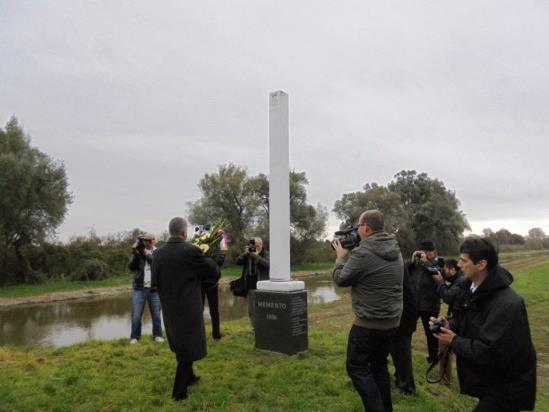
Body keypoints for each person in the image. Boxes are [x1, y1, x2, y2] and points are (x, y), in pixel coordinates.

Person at [432, 236, 536, 411]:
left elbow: (490, 351)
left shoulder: (507, 304)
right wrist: (449, 325)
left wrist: (454, 341)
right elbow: (470, 320)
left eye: (464, 261)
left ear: (481, 265)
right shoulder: (472, 290)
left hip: (507, 388)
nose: (458, 265)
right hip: (491, 382)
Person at [332, 210, 403, 412]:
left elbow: (341, 279)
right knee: (379, 366)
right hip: (391, 323)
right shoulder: (395, 249)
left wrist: (340, 258)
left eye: (358, 226)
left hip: (368, 325)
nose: (357, 230)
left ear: (366, 228)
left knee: (356, 368)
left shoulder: (363, 253)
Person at [152, 217, 220, 401]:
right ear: (184, 233)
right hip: (188, 308)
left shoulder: (157, 253)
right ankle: (179, 393)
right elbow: (213, 271)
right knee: (187, 348)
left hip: (169, 308)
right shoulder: (190, 251)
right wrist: (208, 256)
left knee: (181, 345)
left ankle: (190, 377)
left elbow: (154, 282)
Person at [431, 258, 467, 385]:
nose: (443, 272)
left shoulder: (461, 281)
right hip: (456, 317)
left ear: (452, 270)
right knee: (445, 347)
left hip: (459, 320)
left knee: (444, 346)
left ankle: (445, 381)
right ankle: (444, 379)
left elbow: (447, 296)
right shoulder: (458, 279)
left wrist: (440, 282)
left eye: (445, 270)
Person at [408, 239, 441, 363]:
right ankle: (406, 351)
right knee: (407, 328)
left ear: (433, 252)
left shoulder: (439, 262)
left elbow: (437, 274)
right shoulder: (417, 264)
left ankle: (434, 358)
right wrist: (412, 261)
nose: (425, 253)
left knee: (431, 333)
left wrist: (427, 262)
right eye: (423, 251)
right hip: (415, 303)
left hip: (430, 304)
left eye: (428, 251)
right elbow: (407, 274)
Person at [128, 233, 163, 344]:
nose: (146, 242)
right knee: (136, 315)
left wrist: (146, 254)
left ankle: (157, 335)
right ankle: (134, 337)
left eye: (149, 240)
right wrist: (135, 254)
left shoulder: (158, 252)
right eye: (145, 240)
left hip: (155, 289)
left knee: (156, 315)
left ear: (154, 241)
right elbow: (131, 267)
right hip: (139, 288)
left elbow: (156, 265)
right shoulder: (139, 252)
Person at [389, 266, 417, 395]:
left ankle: (408, 389)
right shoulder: (398, 264)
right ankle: (400, 379)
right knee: (397, 353)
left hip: (403, 319)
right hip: (403, 317)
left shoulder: (396, 265)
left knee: (402, 355)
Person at [235, 237, 269, 330]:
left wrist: (257, 256)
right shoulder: (248, 254)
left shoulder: (266, 254)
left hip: (262, 286)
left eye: (258, 246)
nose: (256, 248)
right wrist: (245, 253)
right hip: (250, 286)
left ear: (262, 245)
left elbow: (268, 265)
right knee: (252, 310)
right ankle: (255, 328)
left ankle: (264, 327)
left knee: (263, 308)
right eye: (254, 246)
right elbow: (237, 261)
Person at [201, 241, 228, 340]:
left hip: (200, 286)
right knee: (214, 310)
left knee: (200, 310)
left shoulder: (197, 258)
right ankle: (216, 335)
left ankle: (200, 335)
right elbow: (219, 261)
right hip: (212, 285)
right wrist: (223, 251)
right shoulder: (212, 260)